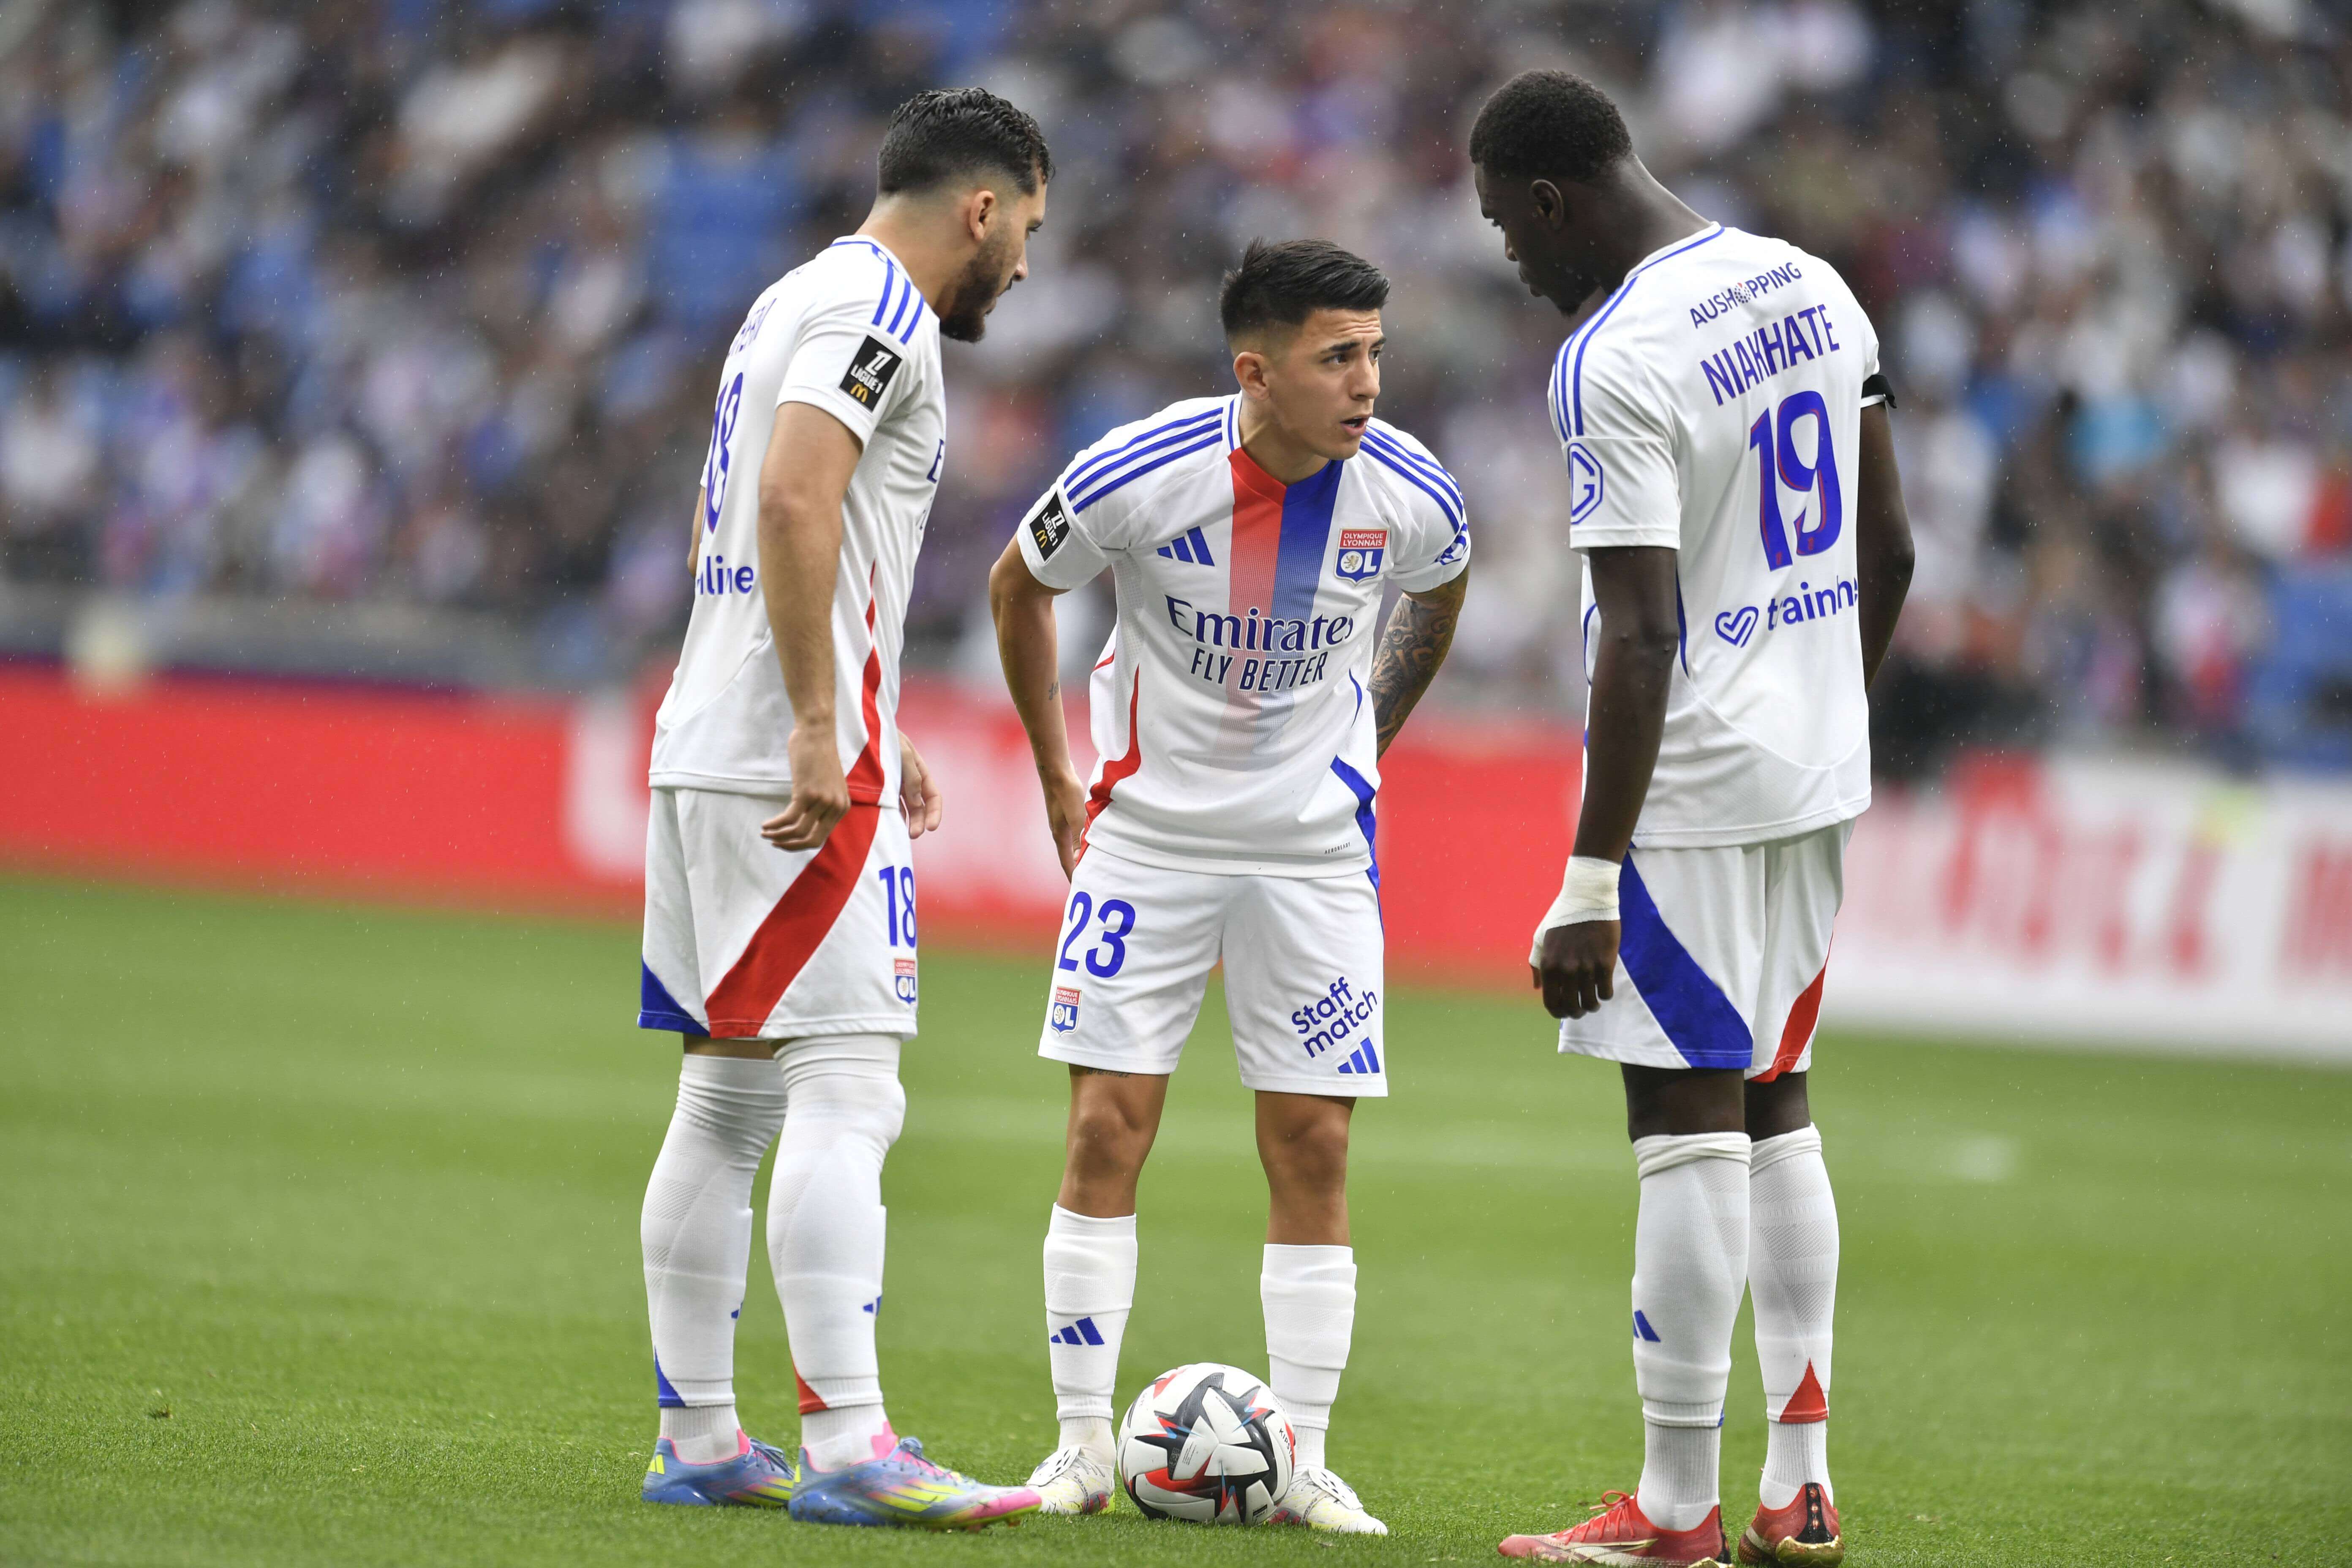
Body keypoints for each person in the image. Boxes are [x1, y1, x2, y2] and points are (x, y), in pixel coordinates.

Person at [1468, 71, 1914, 1568]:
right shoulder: (1811, 284)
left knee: (1681, 1118)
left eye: (1505, 231)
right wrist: (1816, 710)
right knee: (1778, 1102)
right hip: (1813, 775)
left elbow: (1639, 634)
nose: (1512, 264)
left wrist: (1591, 872)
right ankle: (1800, 1481)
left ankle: (1671, 1513)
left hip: (1696, 791)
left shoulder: (1614, 356)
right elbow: (1893, 548)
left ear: (1548, 201)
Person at [987, 239, 1471, 1535]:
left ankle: (1302, 1460)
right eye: (1337, 357)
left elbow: (1442, 585)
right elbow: (1019, 586)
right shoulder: (1143, 473)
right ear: (1255, 371)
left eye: (1375, 351)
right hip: (1148, 841)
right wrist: (1056, 779)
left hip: (1314, 852)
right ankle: (1083, 1447)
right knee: (1107, 1130)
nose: (1368, 381)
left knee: (1311, 1142)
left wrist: (1368, 731)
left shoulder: (1411, 490)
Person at [632, 87, 1051, 1530]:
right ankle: (855, 1446)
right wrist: (825, 721)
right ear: (982, 210)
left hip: (710, 734)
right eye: (1027, 234)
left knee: (731, 1092)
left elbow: (804, 523)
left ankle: (698, 1437)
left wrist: (867, 704)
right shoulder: (888, 311)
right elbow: (801, 505)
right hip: (784, 752)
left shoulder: (793, 296)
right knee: (851, 1085)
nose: (1024, 269)